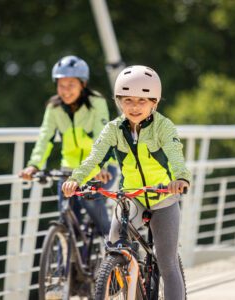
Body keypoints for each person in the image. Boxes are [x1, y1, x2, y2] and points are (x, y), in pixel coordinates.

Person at [62, 65, 191, 299]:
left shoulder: (163, 127)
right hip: (131, 197)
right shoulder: (113, 129)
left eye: (142, 101)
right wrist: (75, 179)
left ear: (154, 102)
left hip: (163, 197)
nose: (134, 106)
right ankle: (130, 278)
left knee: (167, 262)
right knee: (113, 245)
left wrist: (180, 178)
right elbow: (95, 158)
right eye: (128, 100)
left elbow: (175, 155)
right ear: (119, 101)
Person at [19, 55, 116, 235]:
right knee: (67, 224)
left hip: (99, 169)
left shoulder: (96, 103)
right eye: (61, 85)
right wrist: (34, 165)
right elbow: (45, 138)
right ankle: (68, 261)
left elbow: (102, 137)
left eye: (71, 85)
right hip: (69, 170)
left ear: (83, 84)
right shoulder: (54, 108)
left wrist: (101, 166)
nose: (65, 91)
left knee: (90, 202)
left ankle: (114, 250)